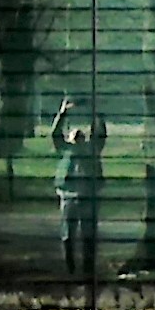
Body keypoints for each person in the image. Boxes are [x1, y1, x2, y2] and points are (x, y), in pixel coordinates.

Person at [51, 96, 107, 285]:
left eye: (81, 135)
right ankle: (70, 269)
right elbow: (55, 134)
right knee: (68, 235)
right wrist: (63, 114)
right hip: (68, 197)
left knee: (88, 235)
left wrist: (96, 113)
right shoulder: (65, 150)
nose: (78, 137)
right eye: (75, 135)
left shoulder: (93, 150)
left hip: (88, 197)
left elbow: (101, 133)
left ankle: (87, 270)